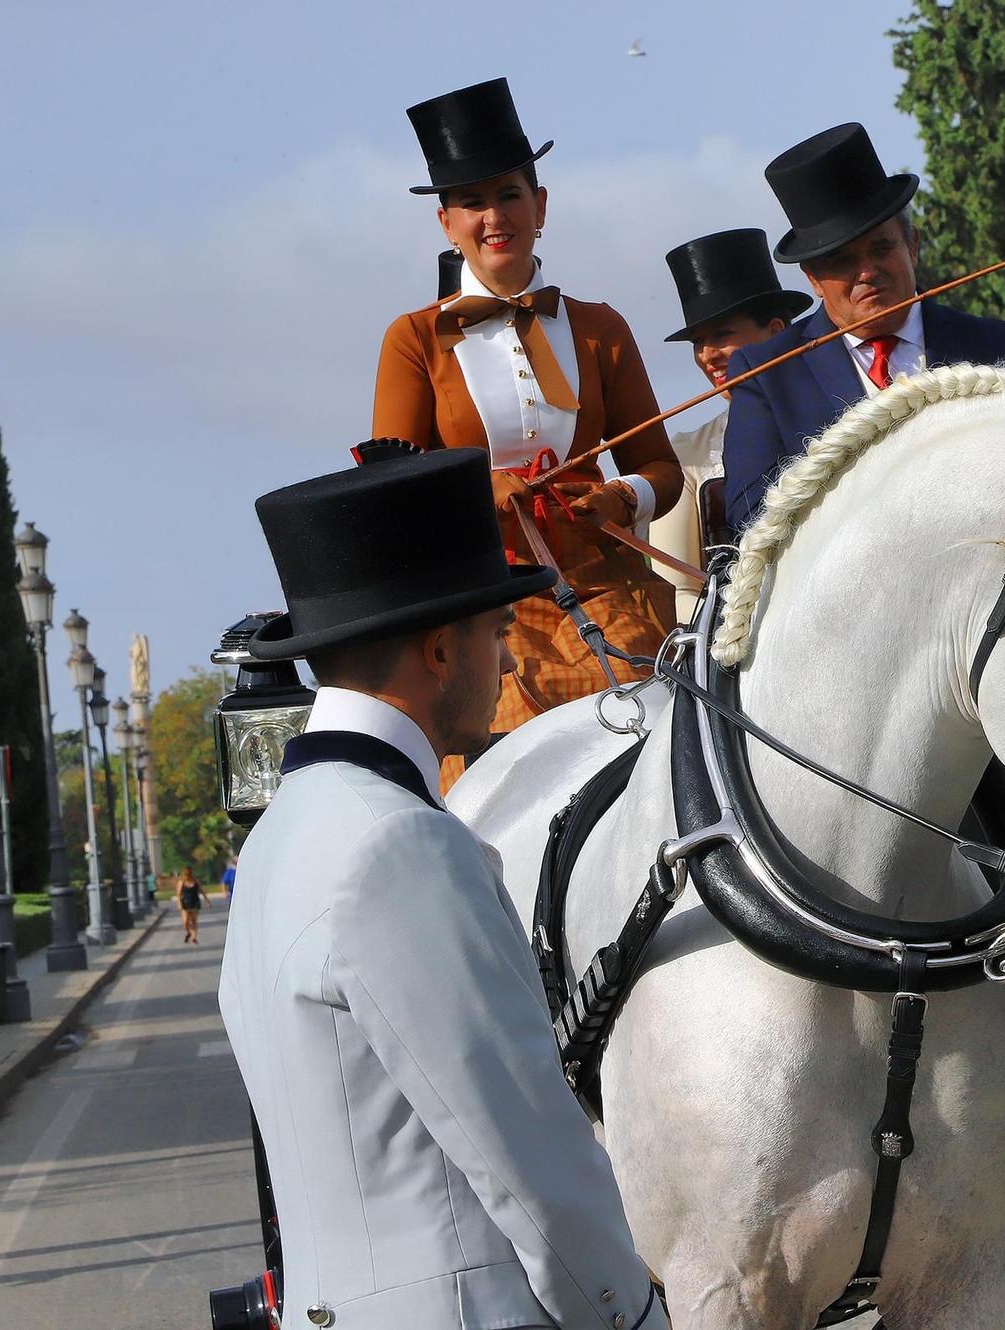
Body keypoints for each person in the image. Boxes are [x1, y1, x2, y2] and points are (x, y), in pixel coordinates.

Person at [219, 448, 661, 1330]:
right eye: (496, 636)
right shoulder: (400, 845)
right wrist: (633, 1313)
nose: (505, 664)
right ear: (437, 649)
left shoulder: (277, 841)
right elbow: (525, 1147)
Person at [371, 78, 683, 778]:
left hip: (607, 586)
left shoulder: (602, 329)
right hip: (485, 603)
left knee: (658, 742)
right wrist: (481, 490)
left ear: (540, 206)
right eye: (473, 203)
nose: (494, 217)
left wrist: (622, 497)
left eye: (509, 195)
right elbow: (393, 487)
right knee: (504, 773)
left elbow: (662, 470)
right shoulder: (413, 340)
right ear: (446, 222)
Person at [721, 122, 1005, 531]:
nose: (867, 272)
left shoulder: (1000, 348)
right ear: (813, 279)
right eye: (841, 262)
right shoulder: (769, 375)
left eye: (881, 248)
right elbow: (752, 515)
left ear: (913, 246)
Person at [646, 228, 809, 616]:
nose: (707, 356)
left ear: (775, 332)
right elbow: (680, 588)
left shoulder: (842, 413)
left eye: (722, 335)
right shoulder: (689, 455)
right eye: (697, 343)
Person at [176, 867, 203, 944]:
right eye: (186, 875)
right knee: (185, 921)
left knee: (194, 921)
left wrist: (208, 901)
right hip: (185, 904)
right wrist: (179, 904)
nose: (187, 876)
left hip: (195, 903)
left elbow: (201, 891)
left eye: (189, 874)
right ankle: (188, 932)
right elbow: (178, 894)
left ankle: (194, 937)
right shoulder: (181, 882)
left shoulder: (195, 881)